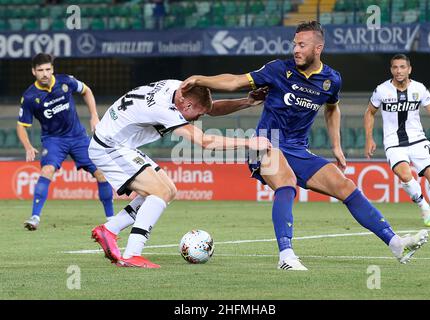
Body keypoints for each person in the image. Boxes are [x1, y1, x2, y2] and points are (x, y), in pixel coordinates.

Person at [181, 21, 429, 271]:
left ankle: (396, 243)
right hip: (266, 144)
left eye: (302, 45)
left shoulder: (331, 80)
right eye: (294, 44)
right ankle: (286, 256)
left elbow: (332, 108)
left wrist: (336, 146)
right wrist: (200, 79)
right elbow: (235, 82)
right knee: (286, 182)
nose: (296, 49)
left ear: (318, 48)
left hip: (298, 149)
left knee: (345, 186)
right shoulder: (278, 69)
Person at [89, 79, 271, 268]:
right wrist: (249, 143)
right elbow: (205, 141)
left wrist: (246, 102)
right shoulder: (164, 109)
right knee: (159, 192)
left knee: (168, 190)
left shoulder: (178, 89)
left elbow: (209, 107)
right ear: (187, 104)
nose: (199, 118)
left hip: (120, 144)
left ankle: (109, 229)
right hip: (109, 147)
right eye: (198, 114)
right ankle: (132, 254)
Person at [17, 53, 114, 231]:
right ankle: (35, 217)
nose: (45, 73)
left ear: (52, 69)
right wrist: (28, 146)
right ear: (33, 72)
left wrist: (94, 116)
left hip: (78, 137)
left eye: (48, 69)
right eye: (40, 70)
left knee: (100, 173)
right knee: (47, 171)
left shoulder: (66, 81)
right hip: (53, 140)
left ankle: (111, 218)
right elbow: (21, 125)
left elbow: (86, 91)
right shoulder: (30, 97)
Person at [365, 54, 430, 228]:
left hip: (418, 140)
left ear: (409, 69)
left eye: (402, 67)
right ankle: (424, 207)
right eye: (395, 67)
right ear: (391, 70)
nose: (399, 71)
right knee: (405, 174)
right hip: (393, 142)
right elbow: (369, 113)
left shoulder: (419, 89)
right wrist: (369, 138)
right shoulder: (382, 90)